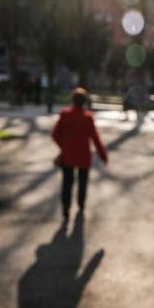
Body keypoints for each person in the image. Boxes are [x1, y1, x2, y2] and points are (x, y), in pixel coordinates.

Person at [51, 87, 108, 219]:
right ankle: (81, 205)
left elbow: (55, 135)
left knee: (67, 183)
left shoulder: (65, 115)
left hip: (67, 155)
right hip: (83, 156)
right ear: (85, 101)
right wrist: (103, 155)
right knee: (83, 183)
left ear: (72, 100)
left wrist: (63, 147)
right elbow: (95, 138)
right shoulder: (88, 118)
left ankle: (66, 209)